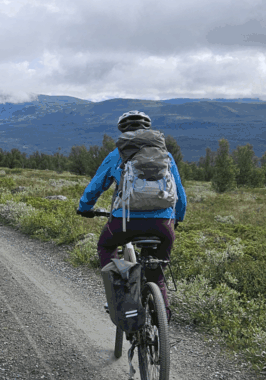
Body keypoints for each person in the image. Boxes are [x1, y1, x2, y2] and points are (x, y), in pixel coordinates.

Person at [76, 110, 187, 320]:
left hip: (124, 223)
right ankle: (161, 318)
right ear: (148, 130)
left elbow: (95, 187)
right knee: (157, 273)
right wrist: (177, 218)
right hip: (162, 224)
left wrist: (84, 207)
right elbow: (180, 194)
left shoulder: (117, 154)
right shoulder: (166, 156)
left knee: (106, 246)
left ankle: (117, 297)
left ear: (123, 131)